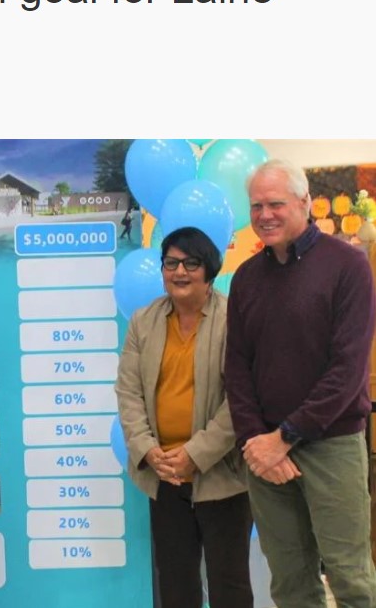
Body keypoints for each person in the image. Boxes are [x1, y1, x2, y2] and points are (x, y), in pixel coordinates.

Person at [225, 159, 376, 607]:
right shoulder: (247, 279)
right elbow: (236, 367)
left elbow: (347, 370)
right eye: (256, 206)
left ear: (305, 202)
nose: (265, 215)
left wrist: (285, 437)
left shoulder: (348, 266)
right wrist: (257, 440)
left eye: (276, 204)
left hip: (331, 444)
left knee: (350, 577)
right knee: (290, 582)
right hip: (265, 455)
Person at [116, 226, 252, 608]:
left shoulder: (234, 319)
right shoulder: (144, 321)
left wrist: (196, 453)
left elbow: (242, 398)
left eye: (190, 263)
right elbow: (128, 392)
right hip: (164, 475)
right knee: (176, 584)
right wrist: (147, 449)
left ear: (209, 269)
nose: (179, 272)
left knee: (230, 585)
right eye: (171, 263)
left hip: (222, 475)